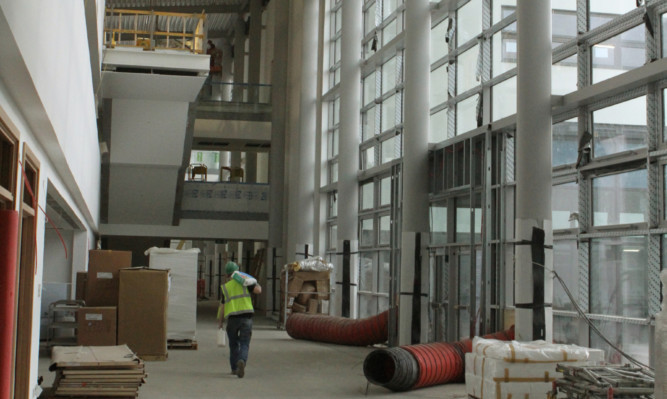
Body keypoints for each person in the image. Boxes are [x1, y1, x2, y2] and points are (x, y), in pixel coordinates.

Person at [217, 261, 261, 378]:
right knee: (244, 343)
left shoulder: (225, 287)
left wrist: (220, 322)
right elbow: (258, 291)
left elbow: (222, 306)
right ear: (237, 271)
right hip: (246, 317)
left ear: (226, 275)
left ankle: (234, 368)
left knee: (233, 344)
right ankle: (242, 360)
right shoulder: (245, 282)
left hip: (232, 319)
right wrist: (256, 283)